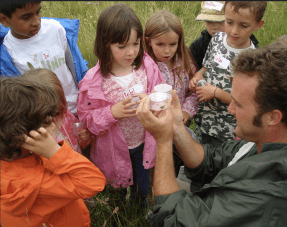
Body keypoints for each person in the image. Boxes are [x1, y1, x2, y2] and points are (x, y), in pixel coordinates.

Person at [137, 45, 287, 226]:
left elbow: (170, 219)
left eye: (237, 104)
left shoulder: (262, 196)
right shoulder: (269, 140)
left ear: (273, 117)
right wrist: (175, 126)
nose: (230, 109)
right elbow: (208, 160)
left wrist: (163, 141)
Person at [77, 3, 165, 208]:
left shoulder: (146, 65)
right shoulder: (93, 82)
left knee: (142, 188)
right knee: (115, 189)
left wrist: (151, 100)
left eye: (135, 44)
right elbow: (86, 120)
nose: (131, 52)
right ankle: (117, 214)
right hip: (113, 152)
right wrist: (111, 112)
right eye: (122, 46)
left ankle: (138, 210)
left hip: (144, 144)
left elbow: (159, 93)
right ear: (105, 44)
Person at [0, 77, 106, 227]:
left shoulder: (13, 160)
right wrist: (54, 151)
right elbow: (94, 182)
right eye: (48, 122)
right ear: (23, 134)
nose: (53, 127)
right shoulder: (39, 183)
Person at [189, 1, 266, 148]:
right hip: (204, 118)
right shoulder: (217, 39)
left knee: (218, 162)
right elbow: (207, 65)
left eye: (243, 26)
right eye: (229, 22)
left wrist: (216, 92)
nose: (234, 31)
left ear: (258, 25)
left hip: (226, 129)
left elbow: (246, 103)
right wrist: (199, 74)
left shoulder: (254, 60)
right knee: (199, 154)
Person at [0, 1, 88, 115]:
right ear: (4, 20)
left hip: (78, 107)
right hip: (47, 118)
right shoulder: (8, 51)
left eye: (38, 12)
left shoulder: (56, 29)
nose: (36, 22)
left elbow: (75, 65)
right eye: (26, 17)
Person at [144, 10, 198, 124]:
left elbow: (194, 93)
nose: (167, 51)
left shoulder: (186, 65)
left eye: (172, 44)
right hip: (155, 126)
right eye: (160, 44)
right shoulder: (143, 68)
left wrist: (186, 111)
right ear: (149, 41)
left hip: (181, 123)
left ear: (179, 41)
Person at [22, 68, 91, 155]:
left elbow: (76, 125)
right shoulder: (35, 133)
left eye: (57, 105)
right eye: (48, 109)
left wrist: (83, 133)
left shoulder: (64, 113)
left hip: (76, 157)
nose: (55, 112)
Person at [189, 1, 259, 69]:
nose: (214, 27)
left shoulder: (252, 49)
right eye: (209, 21)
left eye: (220, 21)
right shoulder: (199, 44)